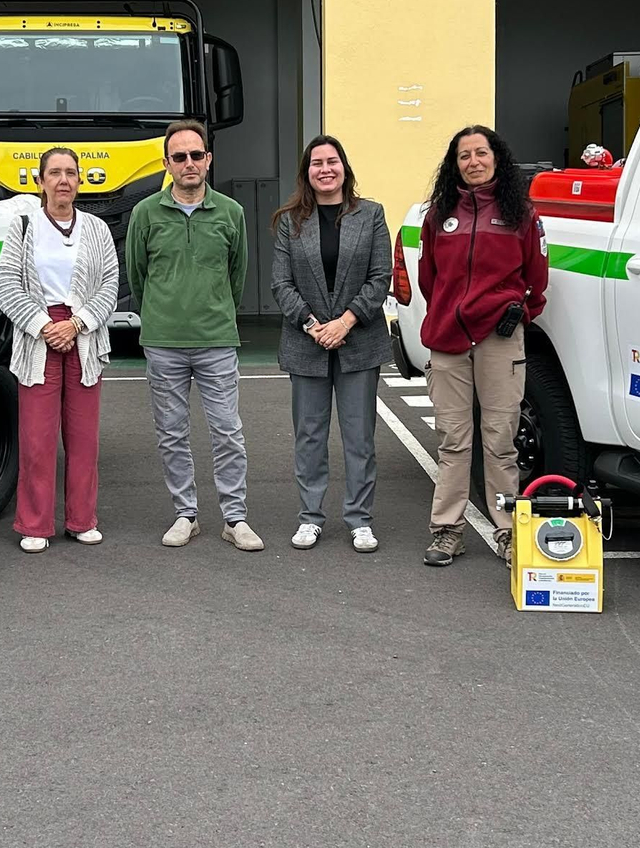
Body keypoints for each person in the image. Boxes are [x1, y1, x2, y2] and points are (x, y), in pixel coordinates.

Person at [125, 120, 264, 552]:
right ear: (167, 164)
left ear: (208, 159)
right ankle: (185, 513)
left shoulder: (231, 213)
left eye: (196, 155)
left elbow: (236, 276)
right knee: (171, 432)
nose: (189, 163)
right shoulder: (145, 213)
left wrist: (213, 310)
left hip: (217, 340)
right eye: (179, 156)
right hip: (164, 342)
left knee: (227, 431)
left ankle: (234, 518)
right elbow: (137, 275)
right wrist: (162, 315)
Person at [417, 124, 549, 567]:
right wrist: (451, 312)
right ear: (454, 164)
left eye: (481, 153)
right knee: (453, 440)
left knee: (500, 439)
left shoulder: (522, 214)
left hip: (499, 340)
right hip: (449, 340)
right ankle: (447, 530)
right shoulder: (439, 215)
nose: (473, 162)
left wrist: (516, 311)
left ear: (497, 157)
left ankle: (509, 530)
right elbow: (429, 278)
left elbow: (536, 279)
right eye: (463, 156)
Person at [0, 146, 120, 553]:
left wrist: (77, 323)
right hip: (38, 338)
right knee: (37, 438)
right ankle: (34, 523)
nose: (63, 180)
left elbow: (111, 286)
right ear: (40, 180)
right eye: (55, 173)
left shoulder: (97, 229)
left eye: (71, 173)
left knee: (84, 438)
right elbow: (6, 285)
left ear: (80, 181)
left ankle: (82, 520)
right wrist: (45, 326)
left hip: (83, 337)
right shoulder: (23, 227)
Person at [269, 135, 391, 554]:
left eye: (332, 161)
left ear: (344, 168)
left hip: (359, 341)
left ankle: (360, 520)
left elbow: (380, 276)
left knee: (359, 438)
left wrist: (345, 322)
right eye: (316, 163)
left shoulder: (371, 214)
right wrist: (311, 324)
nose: (325, 169)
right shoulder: (290, 221)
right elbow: (280, 283)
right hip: (308, 342)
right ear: (307, 172)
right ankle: (310, 518)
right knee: (309, 436)